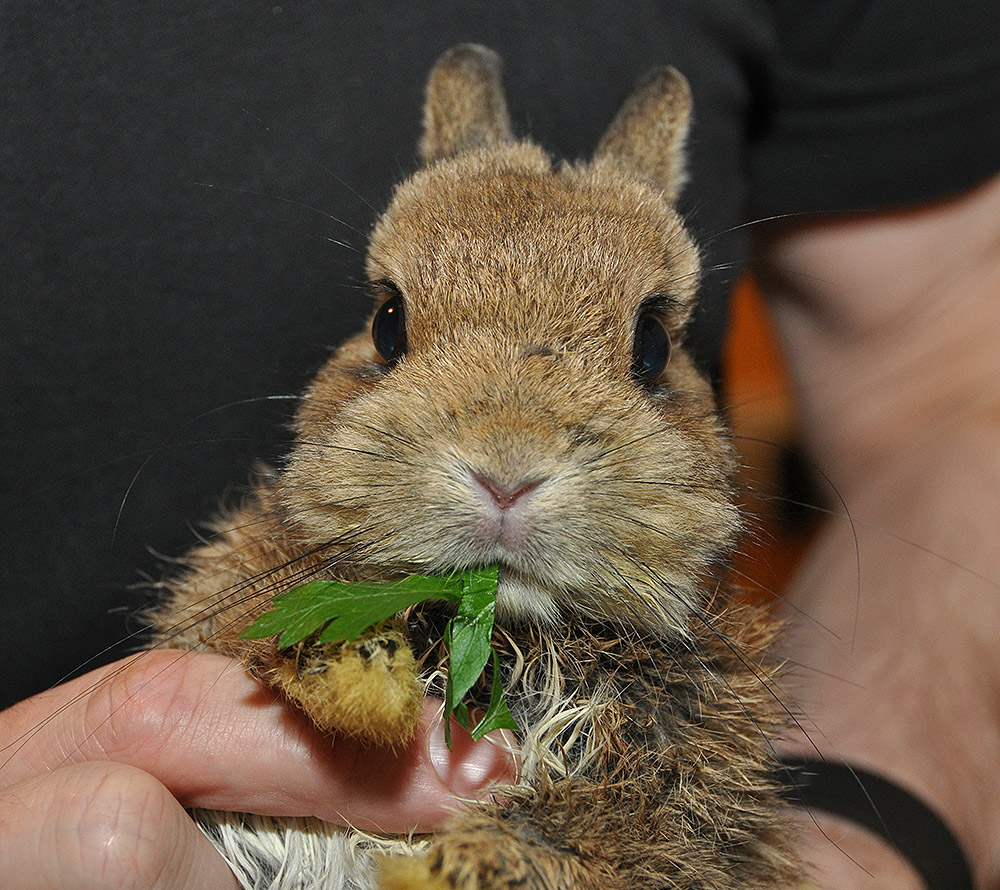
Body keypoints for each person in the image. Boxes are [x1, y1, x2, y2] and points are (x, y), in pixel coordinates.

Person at [2, 3, 998, 887]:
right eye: (400, 333)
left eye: (643, 349)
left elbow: (945, 375)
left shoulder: (688, 698)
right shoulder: (265, 570)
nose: (508, 454)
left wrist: (863, 845)